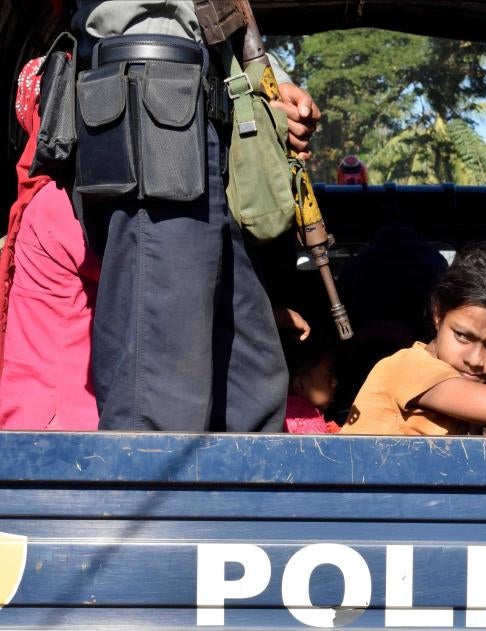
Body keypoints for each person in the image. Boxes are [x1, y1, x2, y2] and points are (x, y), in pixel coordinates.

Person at [70, 1, 320, 431]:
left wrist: (267, 79)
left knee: (252, 382)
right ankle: (148, 472)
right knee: (161, 390)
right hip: (159, 103)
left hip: (217, 106)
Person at [339, 241, 486, 436]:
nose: (475, 360)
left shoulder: (466, 382)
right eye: (463, 336)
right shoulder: (410, 368)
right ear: (438, 313)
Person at [0, 58, 101, 430]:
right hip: (60, 420)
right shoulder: (59, 204)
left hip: (33, 408)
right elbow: (137, 273)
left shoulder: (38, 199)